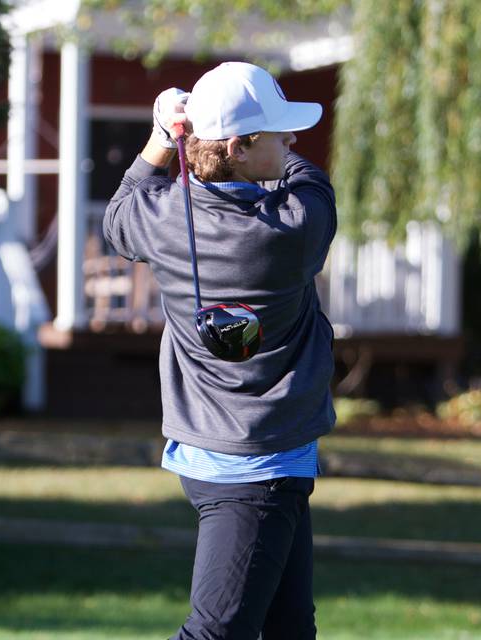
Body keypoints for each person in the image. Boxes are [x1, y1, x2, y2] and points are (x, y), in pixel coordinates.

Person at [103, 61, 337, 640]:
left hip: (211, 453)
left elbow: (118, 216)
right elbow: (311, 179)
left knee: (289, 629)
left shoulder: (162, 221)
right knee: (216, 633)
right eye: (278, 132)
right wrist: (194, 142)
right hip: (258, 468)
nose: (292, 139)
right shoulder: (293, 228)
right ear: (236, 145)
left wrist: (164, 139)